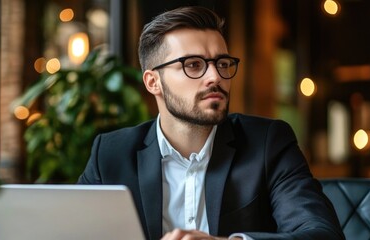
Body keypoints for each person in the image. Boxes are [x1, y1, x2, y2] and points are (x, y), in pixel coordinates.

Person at [78, 6, 345, 240]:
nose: (215, 76)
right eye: (193, 65)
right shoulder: (110, 154)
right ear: (153, 82)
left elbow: (321, 233)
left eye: (222, 63)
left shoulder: (268, 143)